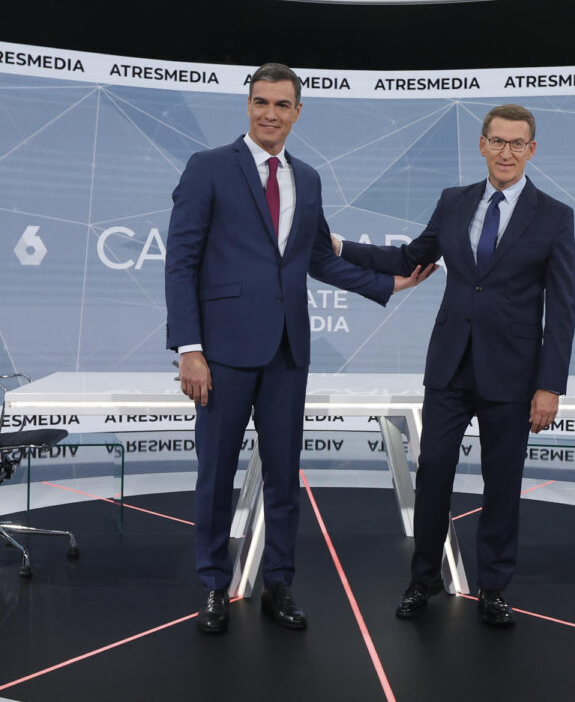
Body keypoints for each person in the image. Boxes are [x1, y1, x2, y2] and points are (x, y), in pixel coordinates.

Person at [165, 63, 433, 634]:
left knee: (285, 476)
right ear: (248, 106)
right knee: (215, 474)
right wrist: (189, 348)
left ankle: (278, 584)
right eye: (261, 102)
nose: (270, 114)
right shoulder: (208, 167)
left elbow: (318, 259)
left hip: (288, 352)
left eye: (282, 105)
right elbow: (181, 261)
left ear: (298, 112)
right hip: (222, 355)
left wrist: (392, 284)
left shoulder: (307, 179)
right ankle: (214, 584)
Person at [334, 103, 575, 626]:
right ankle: (423, 578)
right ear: (482, 144)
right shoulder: (453, 201)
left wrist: (549, 386)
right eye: (497, 141)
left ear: (532, 150)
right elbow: (408, 260)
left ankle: (492, 586)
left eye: (517, 144)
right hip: (449, 367)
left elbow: (562, 310)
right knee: (435, 471)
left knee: (502, 481)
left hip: (513, 375)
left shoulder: (556, 216)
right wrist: (336, 245)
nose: (506, 152)